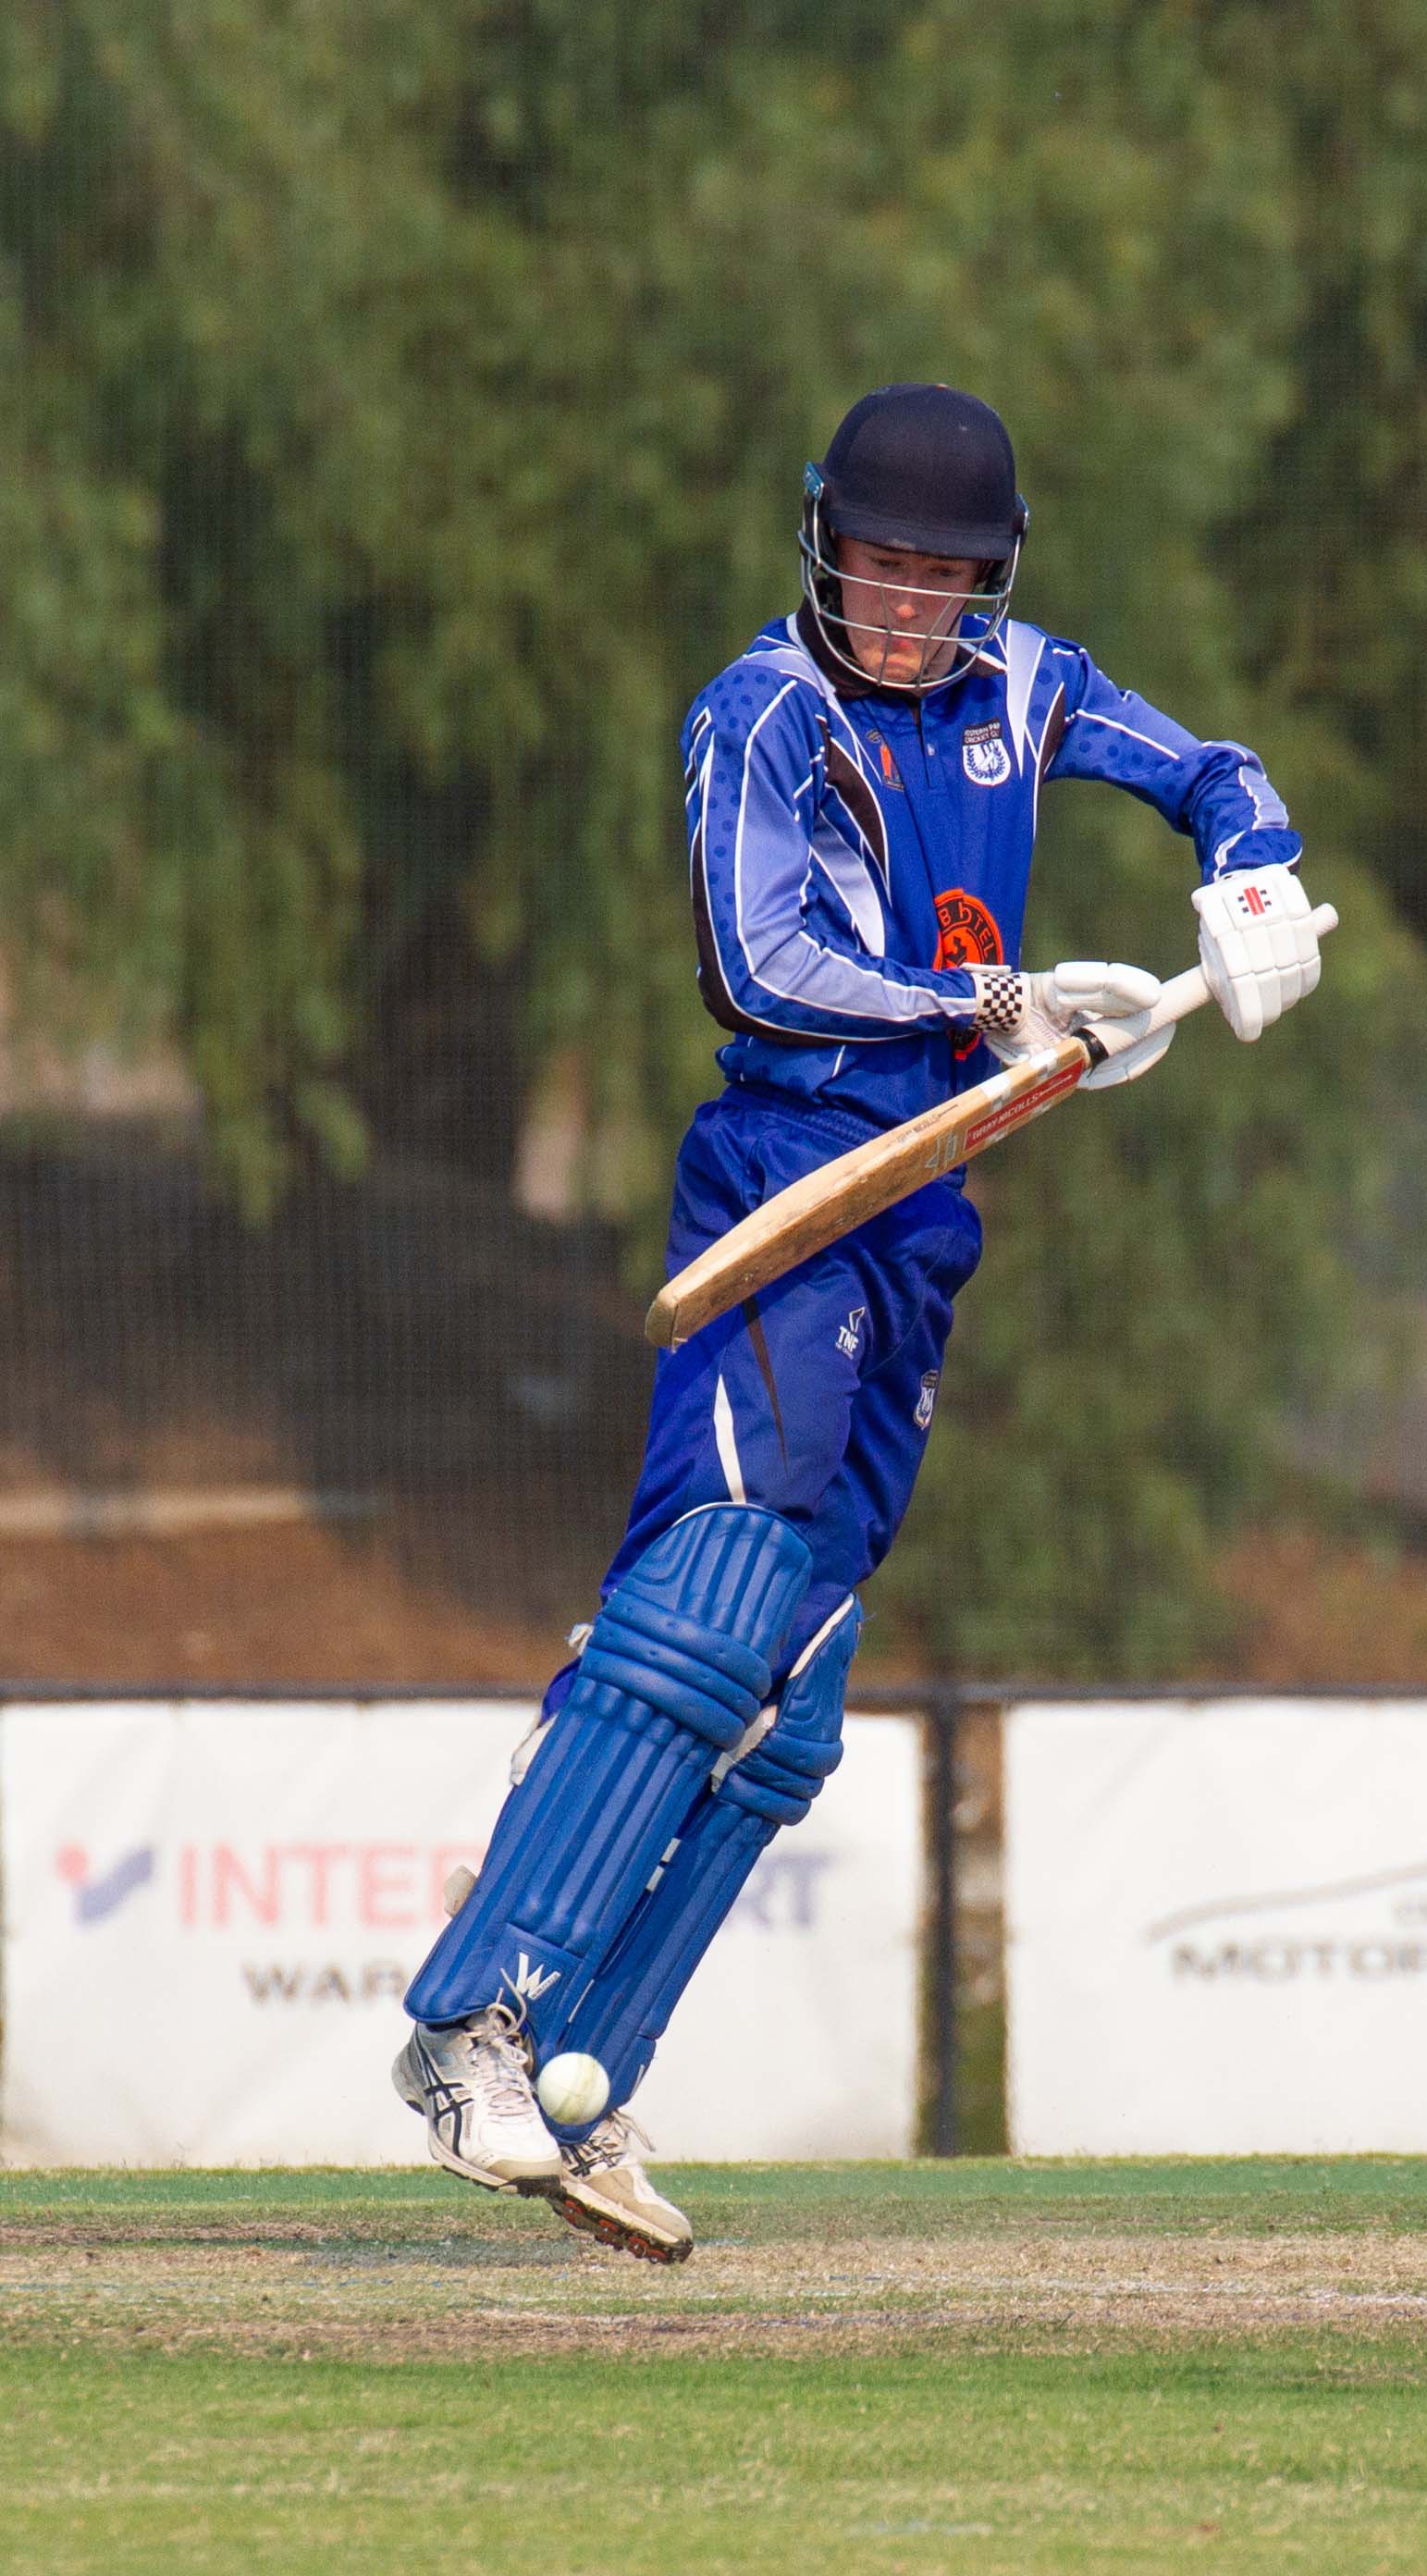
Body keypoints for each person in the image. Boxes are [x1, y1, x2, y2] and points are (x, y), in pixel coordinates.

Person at [393, 383, 1326, 2261]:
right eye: (877, 565)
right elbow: (761, 957)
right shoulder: (759, 714)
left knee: (793, 1684)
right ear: (823, 543)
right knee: (719, 1583)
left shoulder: (1025, 686)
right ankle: (469, 2026)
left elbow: (1209, 767)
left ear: (989, 578)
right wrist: (978, 1008)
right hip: (786, 1178)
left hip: (923, 1206)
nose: (905, 606)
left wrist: (1250, 878)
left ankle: (577, 2076)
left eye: (940, 576)